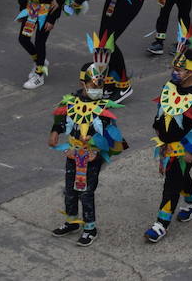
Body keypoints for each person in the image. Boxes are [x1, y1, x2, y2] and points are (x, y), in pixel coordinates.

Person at [144, 39, 192, 243]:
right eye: (174, 68)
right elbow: (162, 107)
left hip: (186, 146)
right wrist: (157, 128)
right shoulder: (169, 85)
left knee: (172, 181)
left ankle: (161, 224)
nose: (175, 72)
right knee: (180, 176)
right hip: (167, 143)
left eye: (180, 69)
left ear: (191, 72)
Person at [48, 61, 126, 246]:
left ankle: (90, 228)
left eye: (100, 85)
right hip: (72, 153)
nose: (96, 88)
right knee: (70, 189)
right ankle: (72, 221)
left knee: (85, 191)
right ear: (83, 83)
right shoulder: (71, 101)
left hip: (91, 156)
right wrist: (54, 132)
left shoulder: (103, 107)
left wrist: (95, 148)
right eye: (93, 84)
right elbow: (61, 119)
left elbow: (108, 133)